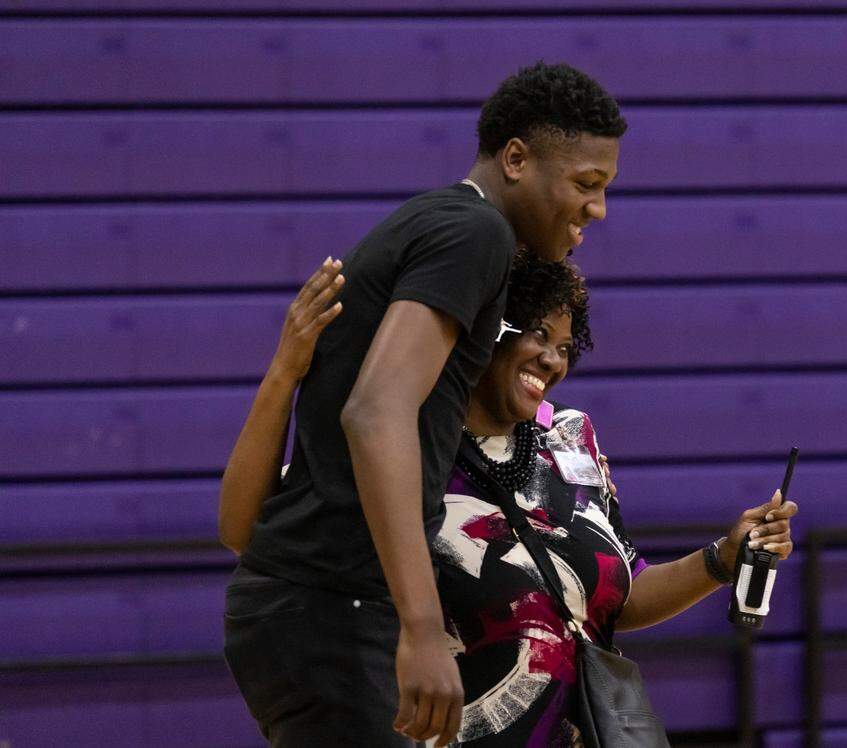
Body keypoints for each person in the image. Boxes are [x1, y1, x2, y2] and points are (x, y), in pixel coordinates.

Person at [220, 252, 799, 745]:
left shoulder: (571, 438)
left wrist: (722, 557)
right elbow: (244, 528)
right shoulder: (395, 442)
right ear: (481, 331)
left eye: (567, 345)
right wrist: (283, 374)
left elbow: (612, 597)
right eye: (537, 334)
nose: (553, 359)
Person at [221, 62, 626, 747]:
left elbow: (245, 524)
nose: (598, 208)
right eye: (586, 184)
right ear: (517, 159)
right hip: (334, 609)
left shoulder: (436, 224)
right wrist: (419, 624)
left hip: (302, 605)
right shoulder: (478, 235)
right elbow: (376, 413)